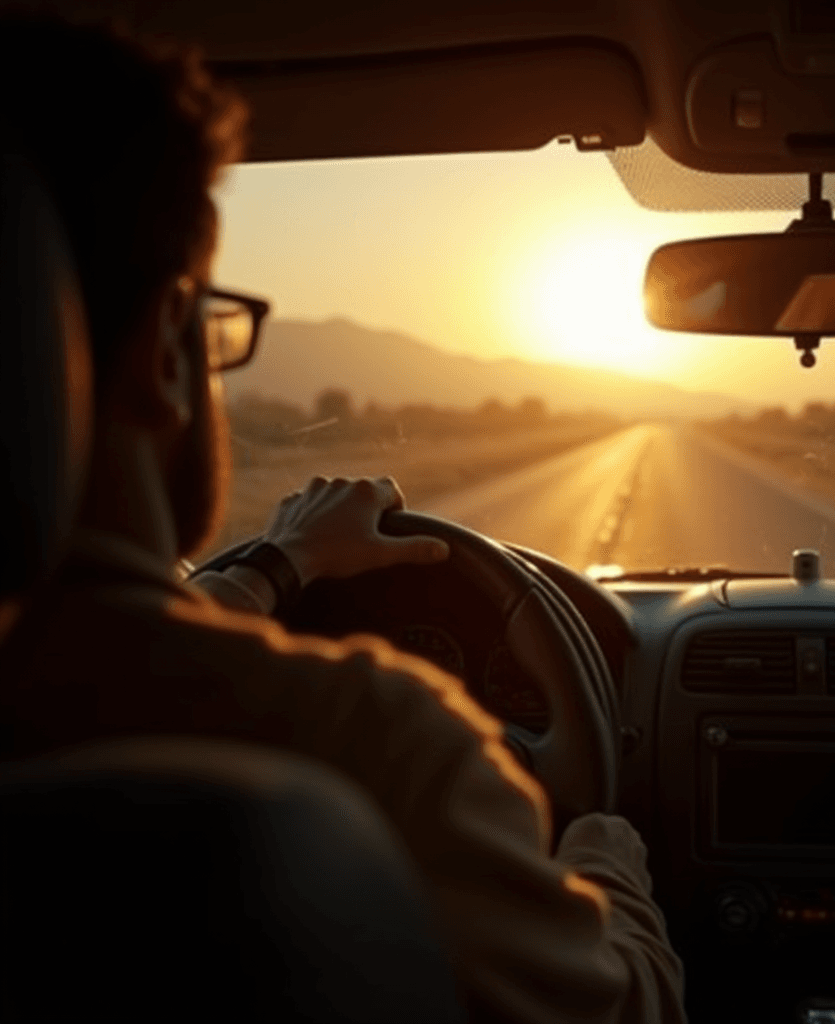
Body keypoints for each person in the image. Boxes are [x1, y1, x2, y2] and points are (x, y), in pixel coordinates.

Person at [0, 16, 685, 1024]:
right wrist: (602, 841)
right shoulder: (379, 742)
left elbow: (119, 638)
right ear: (163, 353)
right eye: (210, 324)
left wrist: (280, 565)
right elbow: (624, 1008)